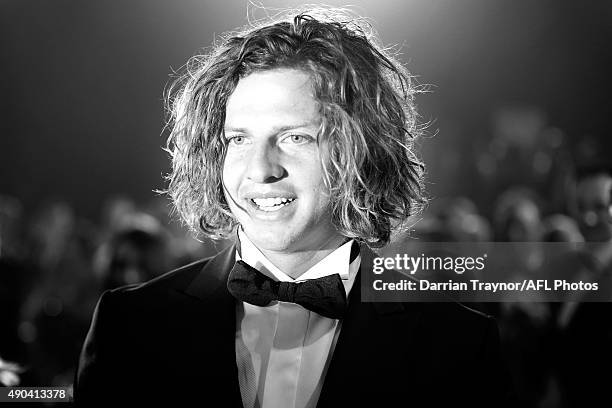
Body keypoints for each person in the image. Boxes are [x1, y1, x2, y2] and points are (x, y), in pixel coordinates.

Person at [75, 9, 514, 406]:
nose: (261, 169)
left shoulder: (459, 343)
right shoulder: (129, 324)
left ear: (361, 151)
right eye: (239, 139)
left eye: (295, 137)